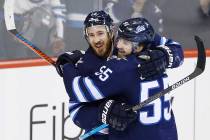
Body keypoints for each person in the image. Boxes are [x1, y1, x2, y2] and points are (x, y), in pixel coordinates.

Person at [55, 11, 183, 139]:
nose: (96, 40)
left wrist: (165, 55)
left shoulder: (130, 36)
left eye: (100, 33)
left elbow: (175, 48)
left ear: (112, 31)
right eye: (91, 35)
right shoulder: (85, 65)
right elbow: (76, 112)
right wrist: (102, 113)